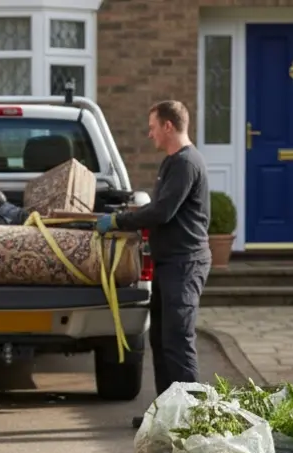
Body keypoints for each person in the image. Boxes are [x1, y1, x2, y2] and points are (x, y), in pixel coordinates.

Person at [96, 100, 211, 427]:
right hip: (168, 263)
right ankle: (166, 417)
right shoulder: (172, 162)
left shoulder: (186, 163)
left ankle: (193, 420)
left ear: (168, 126)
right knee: (160, 341)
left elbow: (162, 211)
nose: (149, 134)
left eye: (152, 127)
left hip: (184, 264)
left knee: (178, 341)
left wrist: (119, 221)